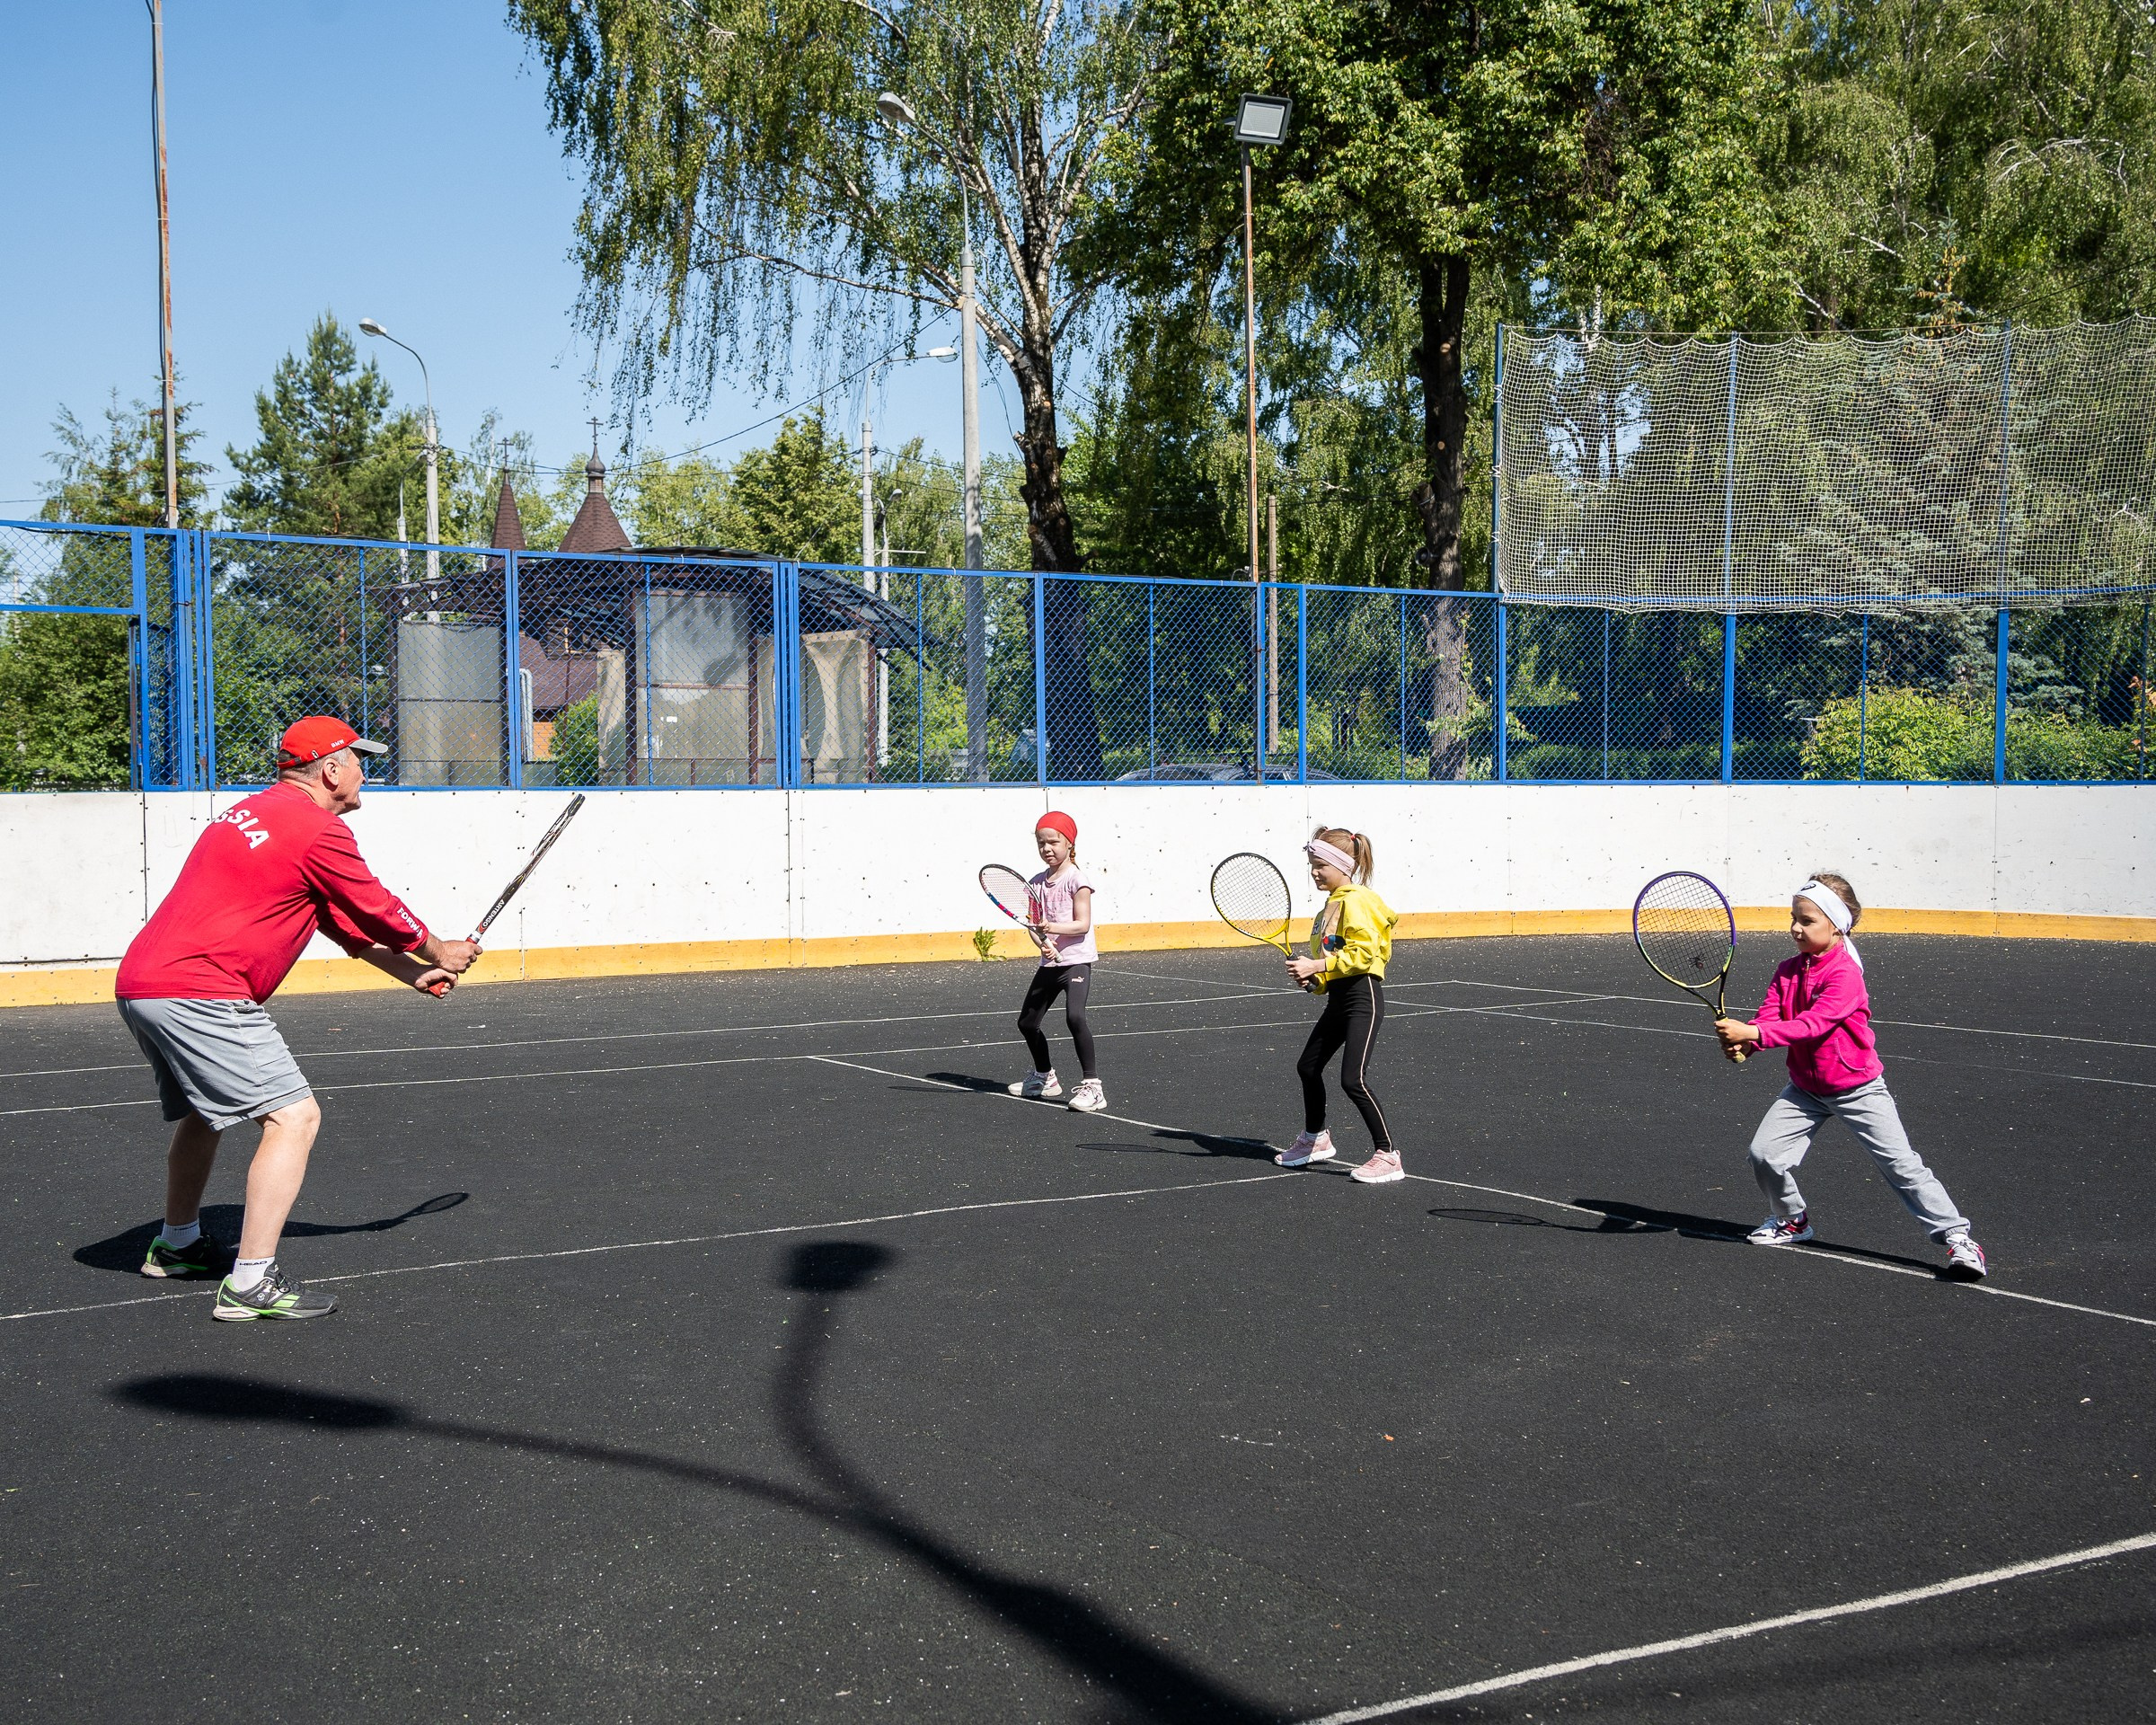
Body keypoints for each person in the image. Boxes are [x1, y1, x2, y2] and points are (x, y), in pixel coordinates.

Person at [116, 715, 479, 1320]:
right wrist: (440, 951)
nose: (367, 772)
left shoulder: (254, 813)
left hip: (145, 984)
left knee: (208, 1114)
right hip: (204, 989)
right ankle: (250, 1284)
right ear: (331, 769)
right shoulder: (317, 830)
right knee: (294, 1116)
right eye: (360, 760)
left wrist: (412, 972)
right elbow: (379, 909)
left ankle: (178, 1245)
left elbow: (344, 923)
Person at [1716, 872, 1988, 1278]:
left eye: (1807, 920)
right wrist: (1750, 1043)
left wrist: (1753, 1033)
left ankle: (1958, 1239)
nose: (1795, 927)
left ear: (1836, 924)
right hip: (1806, 1089)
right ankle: (1792, 1221)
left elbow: (1814, 1024)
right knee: (1765, 1155)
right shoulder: (1788, 969)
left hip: (1857, 1088)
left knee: (1901, 1165)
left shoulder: (1845, 975)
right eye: (1794, 917)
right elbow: (1773, 1014)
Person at [1277, 827, 1401, 1184]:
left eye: (1320, 865)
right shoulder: (1327, 910)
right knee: (1308, 1067)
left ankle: (1388, 1154)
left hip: (1363, 998)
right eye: (1311, 865)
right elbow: (1332, 966)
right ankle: (1315, 1139)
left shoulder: (1357, 901)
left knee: (1353, 1080)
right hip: (1339, 999)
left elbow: (1363, 955)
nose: (1314, 872)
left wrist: (1316, 966)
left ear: (1342, 866)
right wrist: (1314, 980)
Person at [1005, 810, 1106, 1113]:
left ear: (1069, 843)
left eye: (1054, 842)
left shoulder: (1078, 880)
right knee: (1027, 1023)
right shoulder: (1035, 884)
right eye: (1041, 843)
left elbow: (1082, 925)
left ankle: (1093, 1087)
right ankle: (1045, 1077)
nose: (1047, 848)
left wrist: (1052, 929)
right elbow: (1035, 928)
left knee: (1075, 1018)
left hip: (1076, 962)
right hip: (1050, 965)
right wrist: (1043, 942)